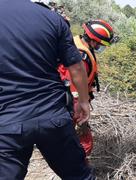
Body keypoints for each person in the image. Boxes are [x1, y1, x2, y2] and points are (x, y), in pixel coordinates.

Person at [0, 1, 94, 179]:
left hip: (8, 122)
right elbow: (76, 68)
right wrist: (83, 101)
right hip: (53, 117)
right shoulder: (52, 18)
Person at [58, 19, 116, 157]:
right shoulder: (81, 56)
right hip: (71, 105)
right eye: (102, 45)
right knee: (85, 142)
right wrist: (80, 117)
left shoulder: (77, 44)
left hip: (67, 103)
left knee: (68, 142)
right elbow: (73, 89)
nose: (102, 48)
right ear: (94, 41)